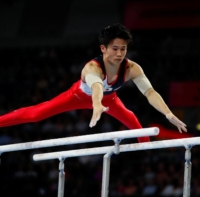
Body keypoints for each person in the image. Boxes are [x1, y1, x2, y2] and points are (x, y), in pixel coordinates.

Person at [0, 23, 187, 143]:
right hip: (77, 97)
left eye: (123, 49)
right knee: (36, 114)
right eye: (115, 48)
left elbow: (150, 93)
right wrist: (96, 104)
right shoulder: (92, 68)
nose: (120, 53)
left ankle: (145, 150)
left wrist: (168, 113)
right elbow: (97, 86)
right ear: (103, 48)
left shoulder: (132, 68)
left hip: (109, 100)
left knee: (136, 126)